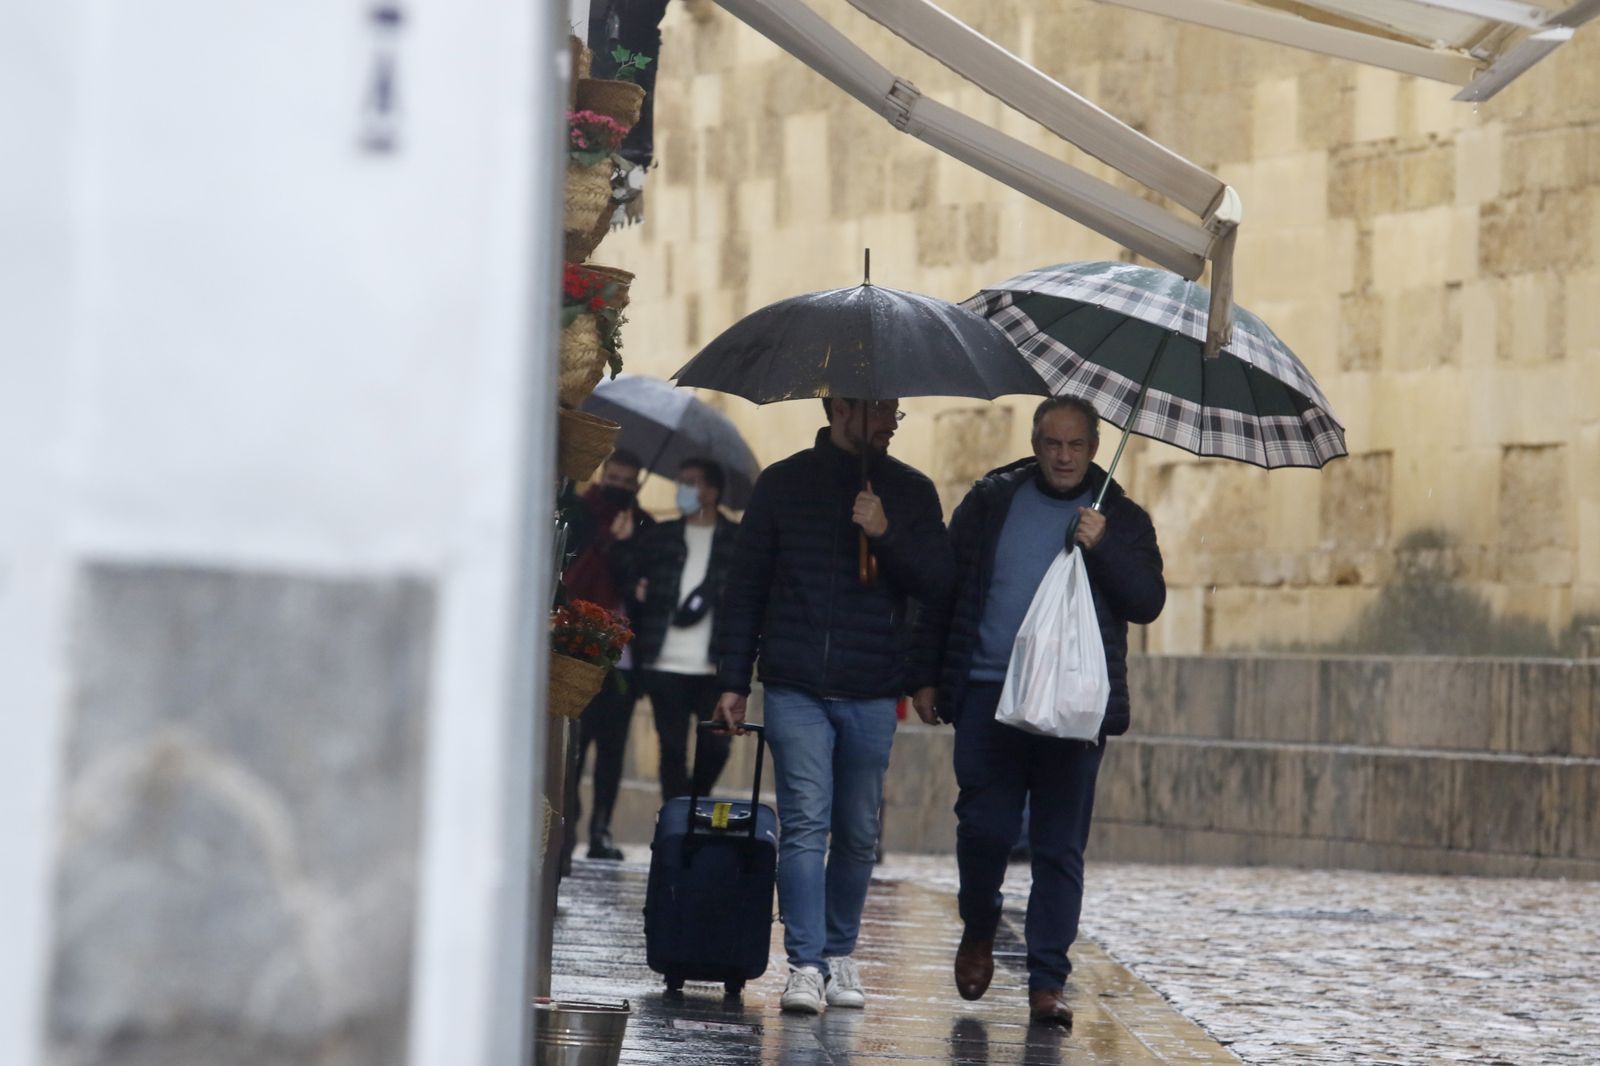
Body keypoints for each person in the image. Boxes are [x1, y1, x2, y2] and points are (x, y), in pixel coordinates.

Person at [910, 396, 1165, 1027]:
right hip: (988, 694)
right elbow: (946, 587)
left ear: (1094, 448)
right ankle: (979, 925)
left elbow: (1148, 601)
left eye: (1076, 445)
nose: (1063, 456)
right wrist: (923, 675)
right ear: (1034, 441)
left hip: (1072, 706)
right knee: (985, 828)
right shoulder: (991, 501)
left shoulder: (1122, 516)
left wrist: (1104, 546)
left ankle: (1048, 980)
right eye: (1052, 443)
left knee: (1058, 847)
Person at [713, 397, 954, 1015]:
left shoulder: (912, 491)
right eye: (874, 409)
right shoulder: (783, 484)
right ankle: (805, 963)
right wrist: (733, 680)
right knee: (804, 824)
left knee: (856, 831)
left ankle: (841, 953)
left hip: (874, 688)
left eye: (893, 412)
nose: (885, 422)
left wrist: (884, 534)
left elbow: (938, 583)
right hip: (796, 684)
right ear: (837, 408)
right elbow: (746, 588)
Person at [623, 457, 738, 802]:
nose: (683, 489)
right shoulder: (662, 535)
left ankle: (694, 802)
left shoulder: (736, 540)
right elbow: (630, 578)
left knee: (716, 747)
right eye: (681, 481)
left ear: (713, 491)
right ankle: (676, 818)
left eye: (693, 482)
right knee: (671, 750)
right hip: (665, 663)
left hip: (713, 667)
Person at [562, 449, 656, 863]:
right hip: (578, 650)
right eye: (614, 477)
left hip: (624, 658)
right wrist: (607, 543)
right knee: (573, 748)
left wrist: (625, 547)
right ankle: (569, 823)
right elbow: (570, 577)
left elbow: (643, 589)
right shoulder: (581, 514)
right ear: (603, 474)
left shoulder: (645, 526)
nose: (620, 486)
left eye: (628, 480)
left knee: (612, 751)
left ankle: (601, 826)